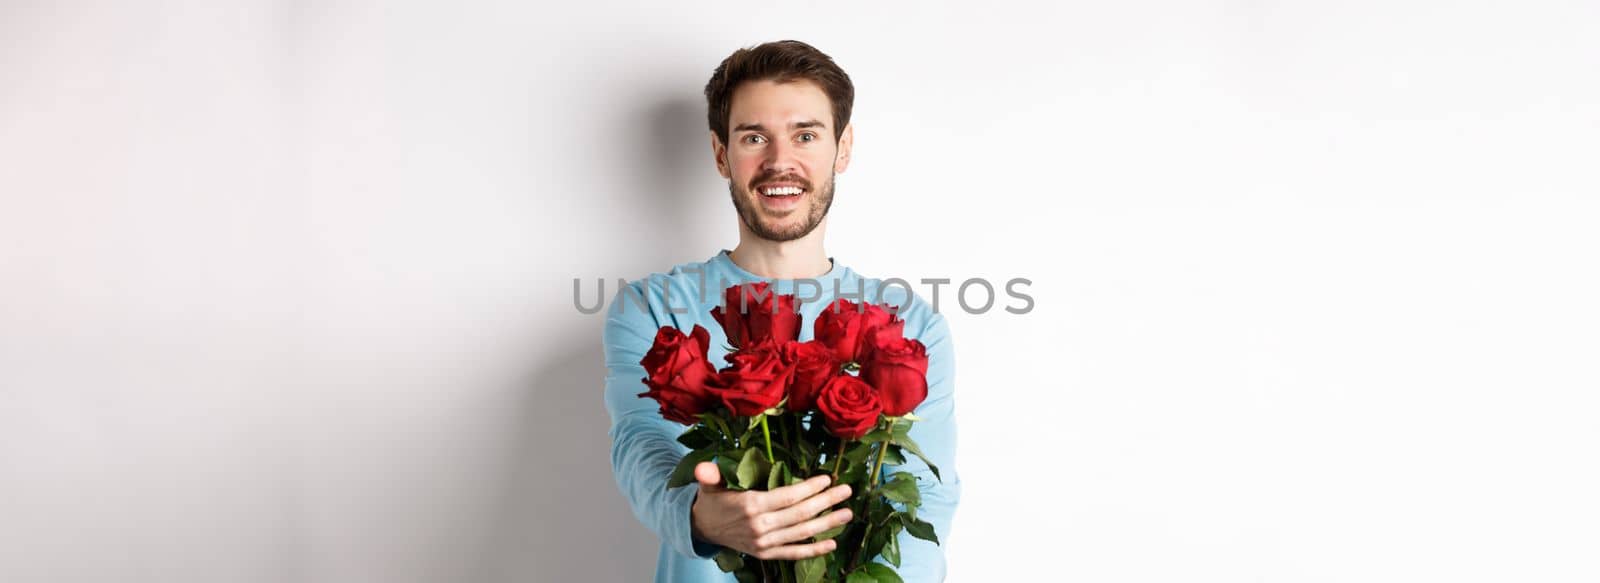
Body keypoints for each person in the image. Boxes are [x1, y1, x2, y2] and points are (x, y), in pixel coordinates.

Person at [601, 40, 960, 582]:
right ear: (721, 154)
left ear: (842, 148)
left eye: (806, 135)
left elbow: (925, 497)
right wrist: (700, 517)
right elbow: (641, 446)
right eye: (753, 138)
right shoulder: (652, 308)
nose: (779, 162)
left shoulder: (908, 324)